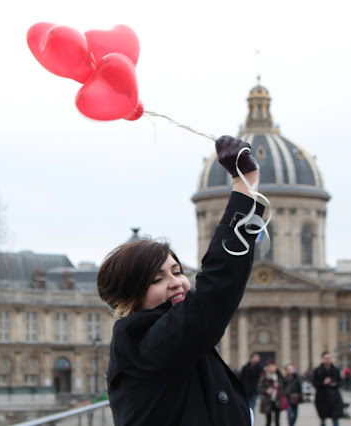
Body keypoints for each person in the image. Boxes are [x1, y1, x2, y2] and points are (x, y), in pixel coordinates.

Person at [98, 136, 264, 425]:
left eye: (177, 271)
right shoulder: (145, 344)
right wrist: (244, 185)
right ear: (130, 296)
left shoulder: (163, 342)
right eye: (156, 279)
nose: (176, 282)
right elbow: (212, 296)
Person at [312, 351, 344, 426]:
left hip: (334, 397)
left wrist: (335, 384)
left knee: (335, 418)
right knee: (323, 418)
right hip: (322, 397)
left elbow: (341, 382)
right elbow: (314, 383)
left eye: (329, 358)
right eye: (326, 358)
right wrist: (324, 383)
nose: (327, 360)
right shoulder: (317, 370)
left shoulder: (336, 370)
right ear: (322, 359)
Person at [257, 360, 286, 426]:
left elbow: (284, 385)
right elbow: (259, 388)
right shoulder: (264, 376)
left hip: (277, 399)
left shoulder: (280, 376)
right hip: (268, 400)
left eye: (274, 366)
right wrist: (266, 391)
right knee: (268, 420)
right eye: (271, 366)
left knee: (277, 420)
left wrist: (282, 392)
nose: (273, 368)